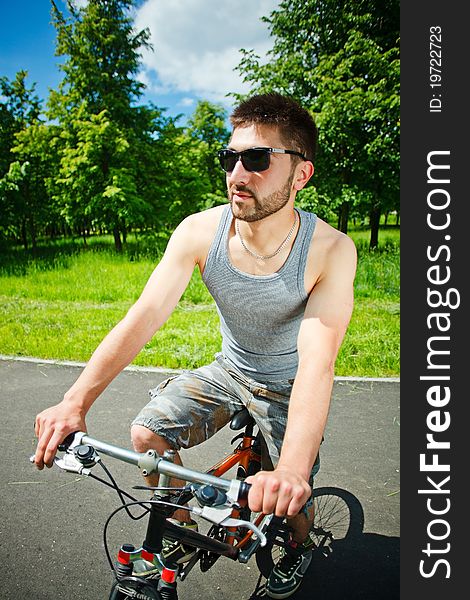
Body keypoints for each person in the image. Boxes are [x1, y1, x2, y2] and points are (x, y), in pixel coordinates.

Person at [34, 93, 357, 599]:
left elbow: (319, 362)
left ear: (301, 174)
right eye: (230, 158)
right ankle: (178, 529)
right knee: (146, 434)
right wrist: (75, 401)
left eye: (257, 159)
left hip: (288, 386)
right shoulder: (200, 232)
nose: (237, 174)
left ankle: (299, 547)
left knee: (290, 502)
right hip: (230, 369)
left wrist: (293, 468)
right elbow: (143, 317)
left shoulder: (331, 251)